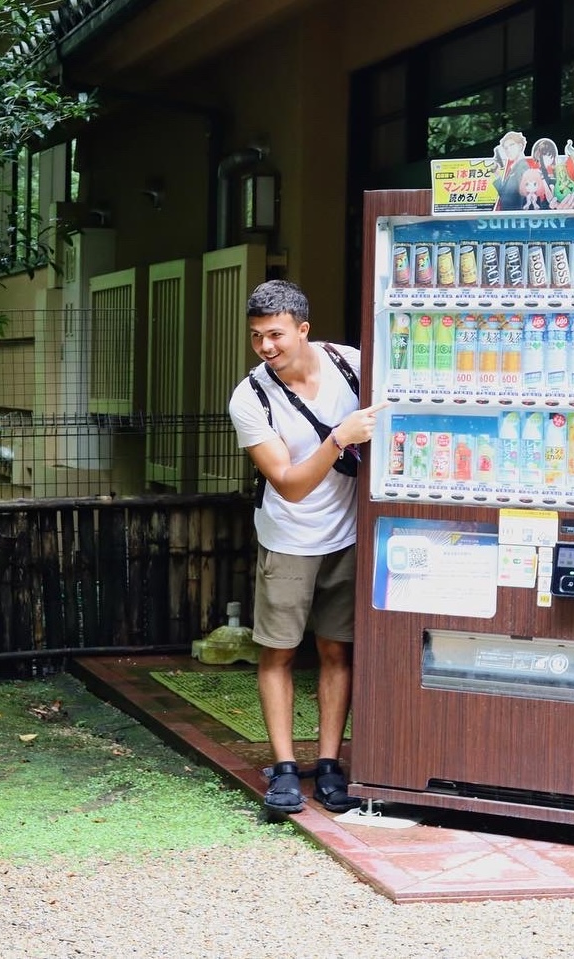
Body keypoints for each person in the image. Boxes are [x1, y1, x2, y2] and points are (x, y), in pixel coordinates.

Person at [227, 279, 384, 815]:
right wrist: (339, 438)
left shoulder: (351, 364)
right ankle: (286, 769)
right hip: (289, 537)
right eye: (256, 336)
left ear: (303, 329)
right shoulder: (250, 397)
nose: (265, 346)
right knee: (280, 651)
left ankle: (331, 764)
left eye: (275, 334)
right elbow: (290, 484)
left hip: (350, 534)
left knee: (338, 649)